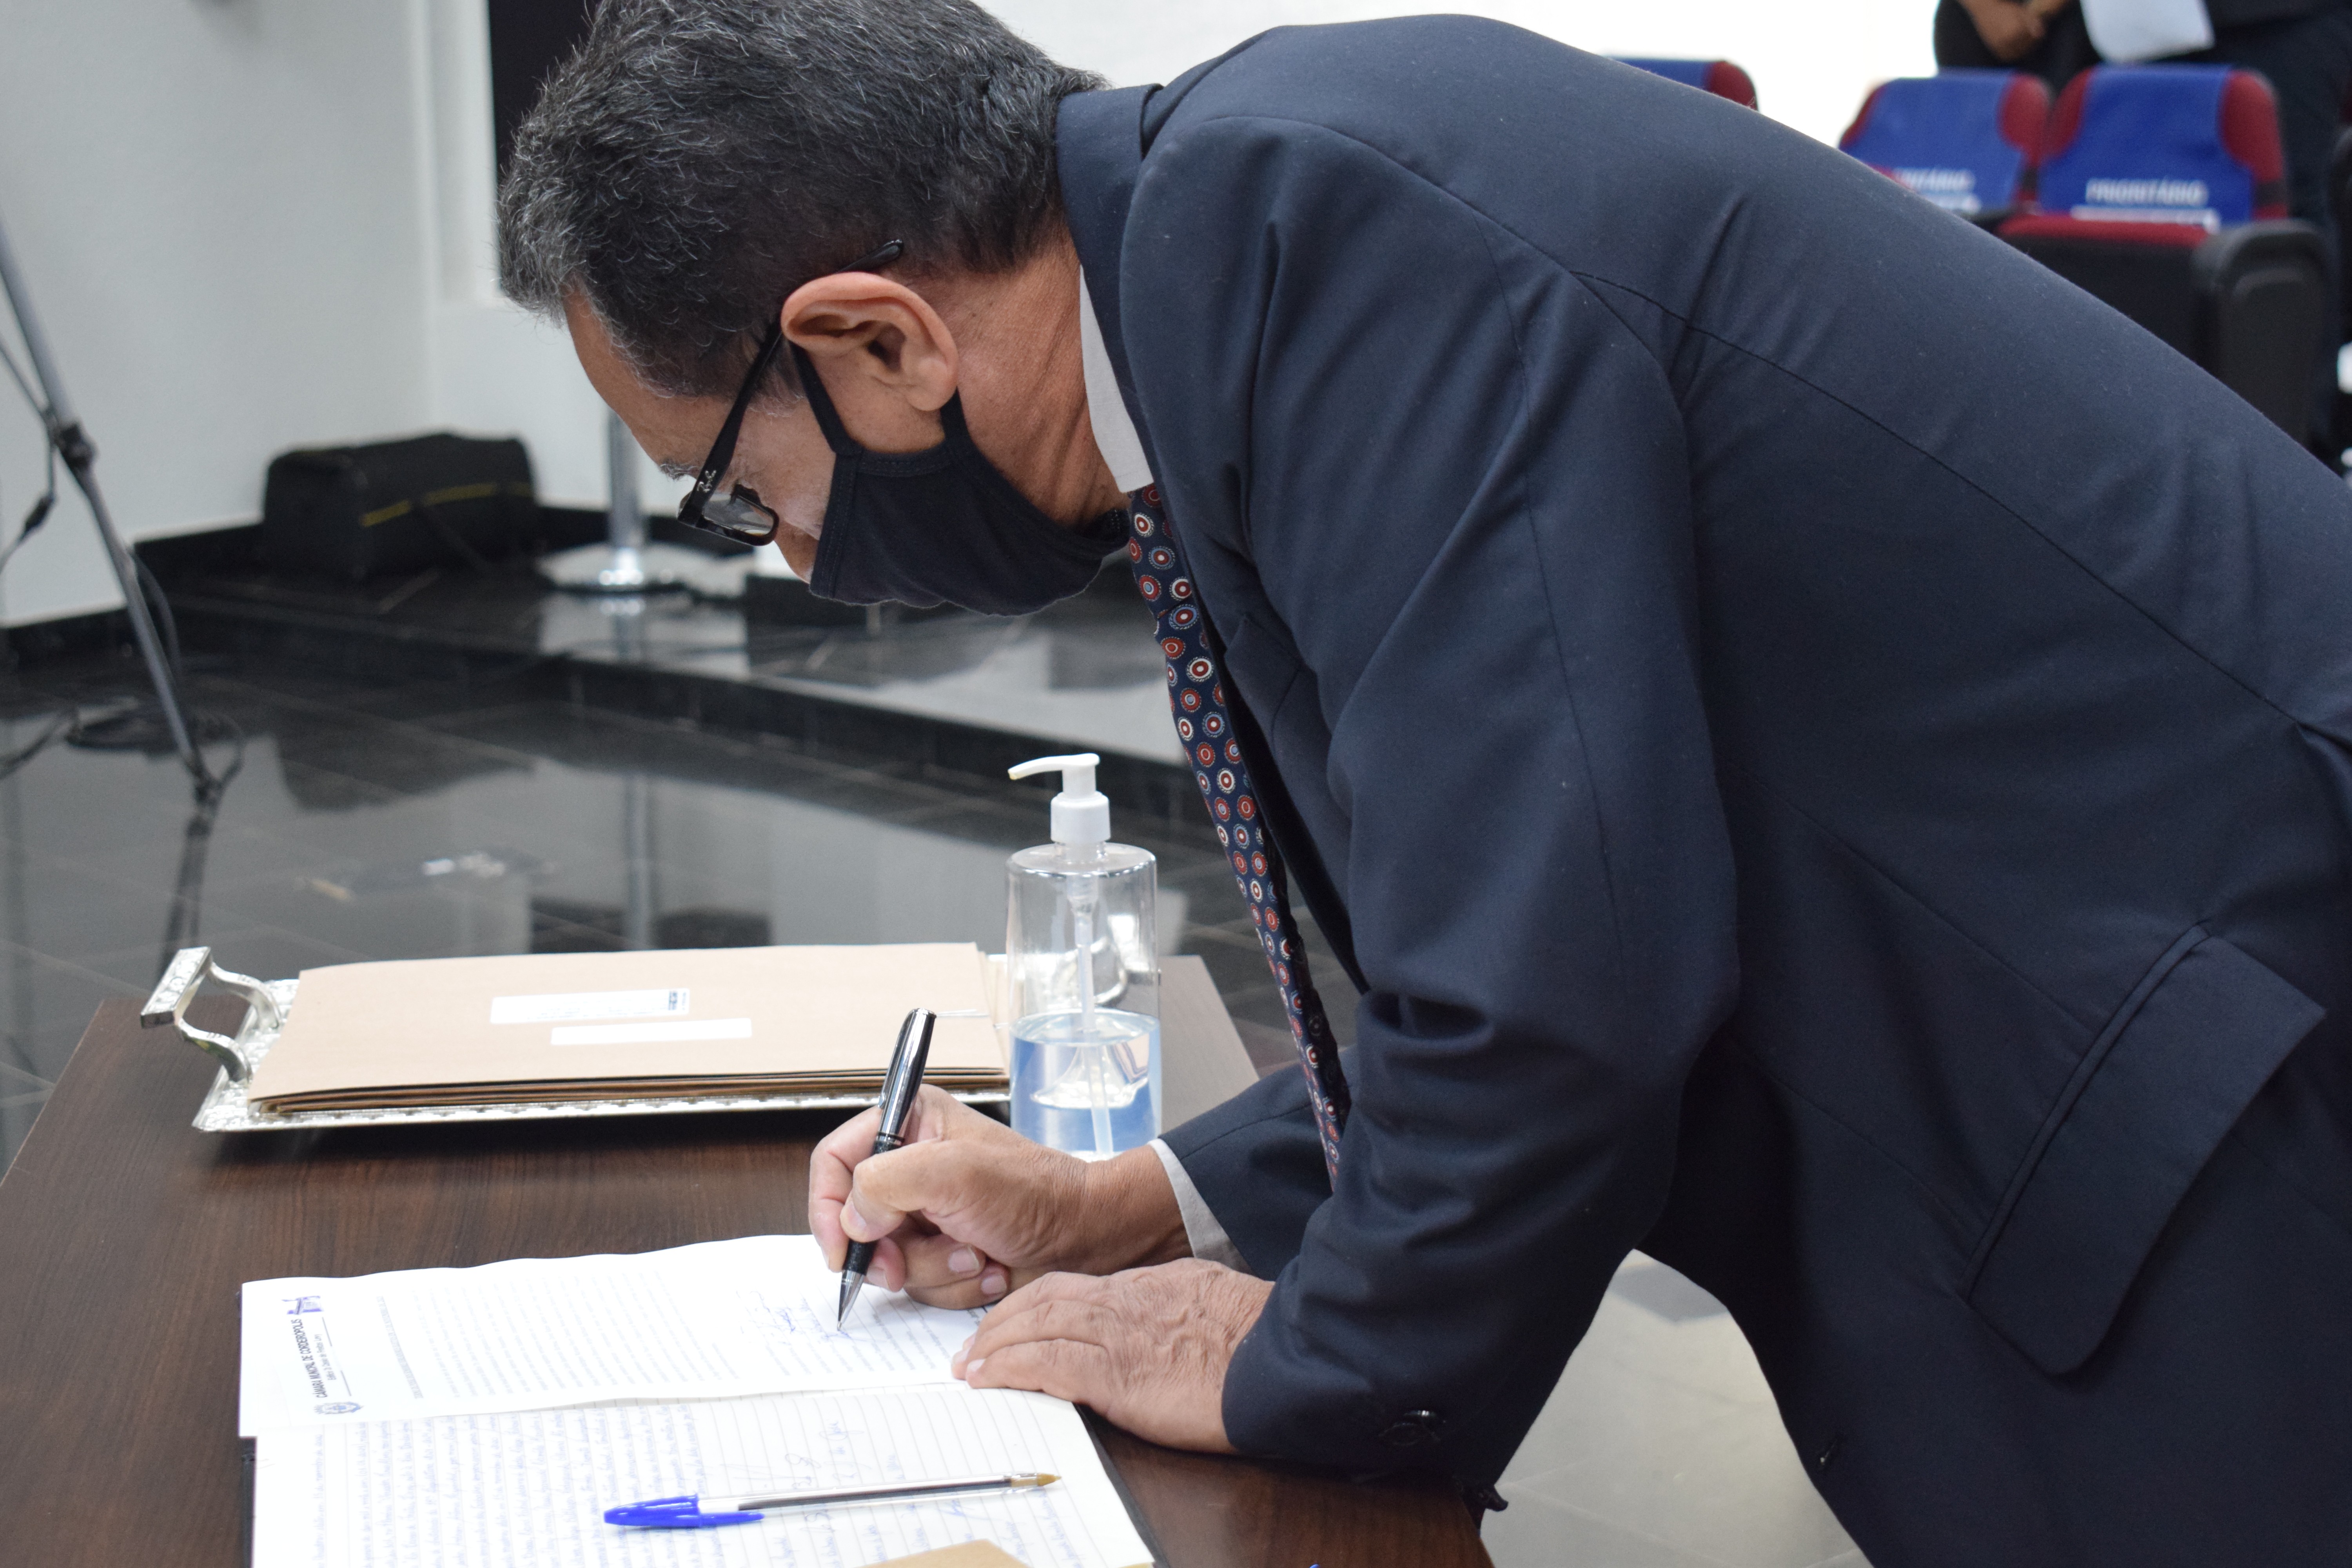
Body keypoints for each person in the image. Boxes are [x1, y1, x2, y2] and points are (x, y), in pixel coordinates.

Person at [498, 5, 2352, 1563]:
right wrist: (1142, 1196)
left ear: (880, 342)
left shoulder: (1323, 240)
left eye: (742, 494)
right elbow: (1533, 894)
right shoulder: (1236, 241)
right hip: (2093, 1028)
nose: (791, 555)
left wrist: (1287, 1361)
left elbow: (1559, 983)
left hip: (2207, 1065)